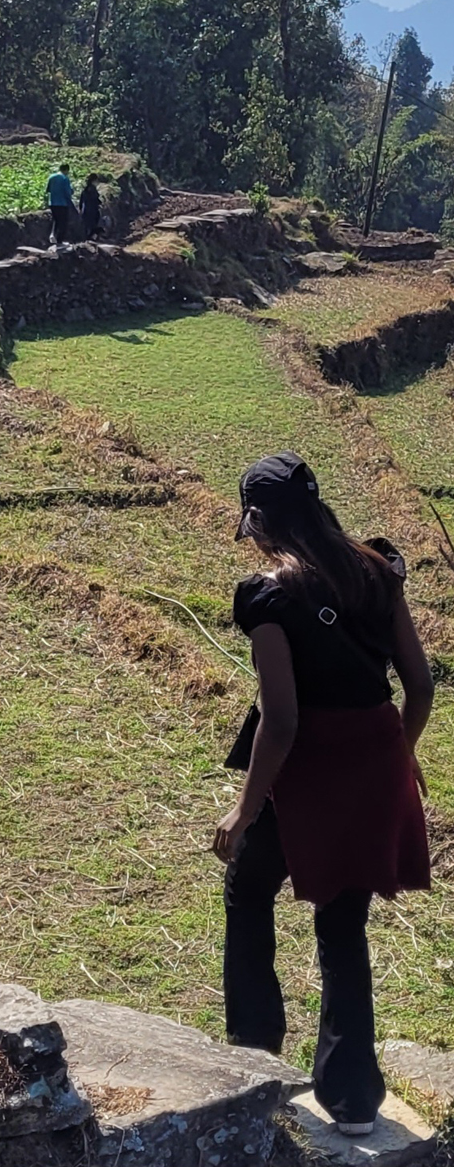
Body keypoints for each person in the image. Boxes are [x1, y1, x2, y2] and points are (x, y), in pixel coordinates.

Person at [214, 452, 433, 1137]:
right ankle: (354, 1101)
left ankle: (253, 1064)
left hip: (306, 771)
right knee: (343, 927)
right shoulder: (377, 568)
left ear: (257, 518)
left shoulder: (268, 595)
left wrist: (244, 809)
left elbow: (282, 720)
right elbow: (420, 687)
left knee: (248, 893)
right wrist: (402, 754)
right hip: (373, 763)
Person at [45, 163, 74, 246]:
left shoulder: (51, 177)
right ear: (66, 170)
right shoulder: (65, 178)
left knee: (56, 220)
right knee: (63, 223)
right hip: (62, 203)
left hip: (53, 203)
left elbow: (48, 190)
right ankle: (59, 241)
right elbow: (68, 192)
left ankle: (53, 237)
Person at [78, 174, 102, 239]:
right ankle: (92, 238)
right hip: (92, 210)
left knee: (87, 227)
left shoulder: (85, 190)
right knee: (94, 226)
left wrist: (80, 209)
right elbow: (94, 199)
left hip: (85, 211)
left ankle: (88, 239)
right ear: (94, 181)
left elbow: (81, 201)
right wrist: (99, 203)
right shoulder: (92, 189)